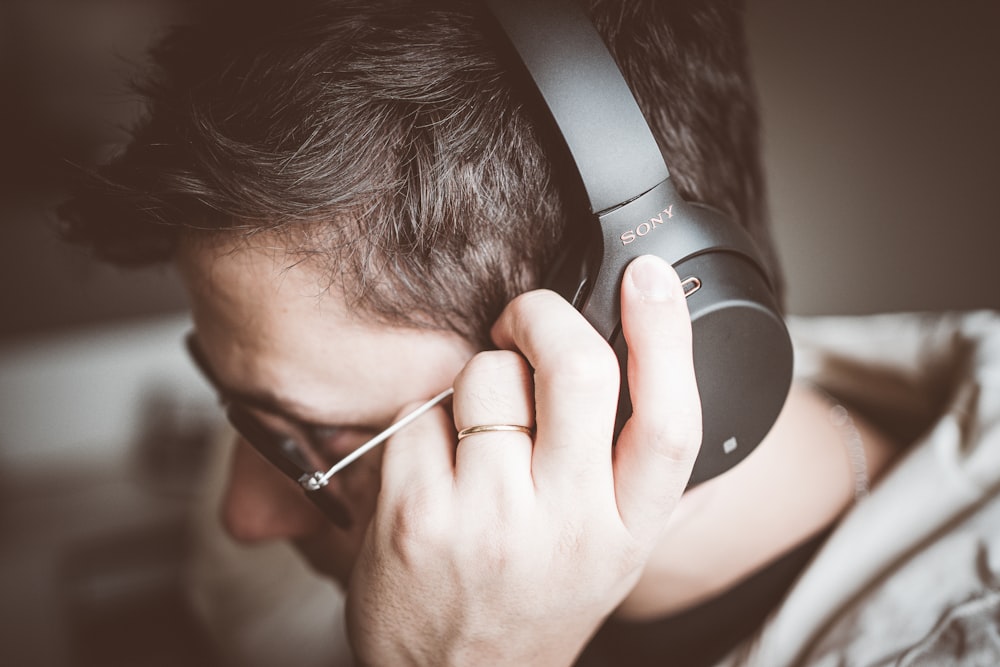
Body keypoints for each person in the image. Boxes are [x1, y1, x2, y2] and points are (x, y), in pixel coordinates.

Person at [60, 0, 902, 664]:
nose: (243, 518)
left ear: (623, 370)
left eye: (308, 442)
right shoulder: (277, 569)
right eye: (245, 417)